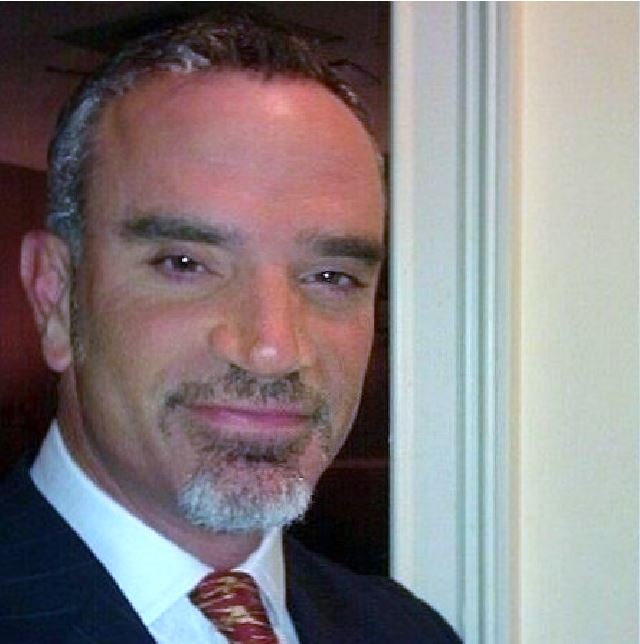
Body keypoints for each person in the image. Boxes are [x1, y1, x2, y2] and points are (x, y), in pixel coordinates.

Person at [0, 9, 461, 643]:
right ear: (54, 296)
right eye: (185, 264)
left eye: (330, 276)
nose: (272, 348)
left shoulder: (406, 631)